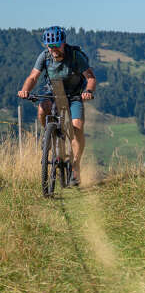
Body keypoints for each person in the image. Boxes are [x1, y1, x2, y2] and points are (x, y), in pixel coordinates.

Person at [17, 26, 96, 186]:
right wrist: (25, 90)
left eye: (56, 45)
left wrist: (88, 91)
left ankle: (75, 166)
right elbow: (33, 77)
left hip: (73, 95)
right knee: (41, 109)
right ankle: (48, 136)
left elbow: (91, 77)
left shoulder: (75, 56)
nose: (53, 49)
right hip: (52, 92)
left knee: (76, 127)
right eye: (50, 46)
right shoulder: (44, 56)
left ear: (63, 43)